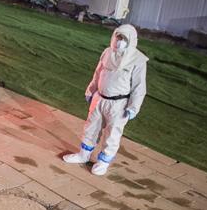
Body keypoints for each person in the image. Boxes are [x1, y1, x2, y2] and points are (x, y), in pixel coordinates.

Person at [62, 24, 148, 176]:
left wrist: (133, 107)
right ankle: (83, 154)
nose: (120, 41)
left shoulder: (138, 60)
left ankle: (103, 162)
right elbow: (98, 73)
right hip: (99, 98)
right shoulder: (108, 52)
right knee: (91, 127)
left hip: (119, 104)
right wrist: (91, 90)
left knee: (112, 133)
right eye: (118, 37)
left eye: (124, 38)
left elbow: (139, 87)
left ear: (131, 40)